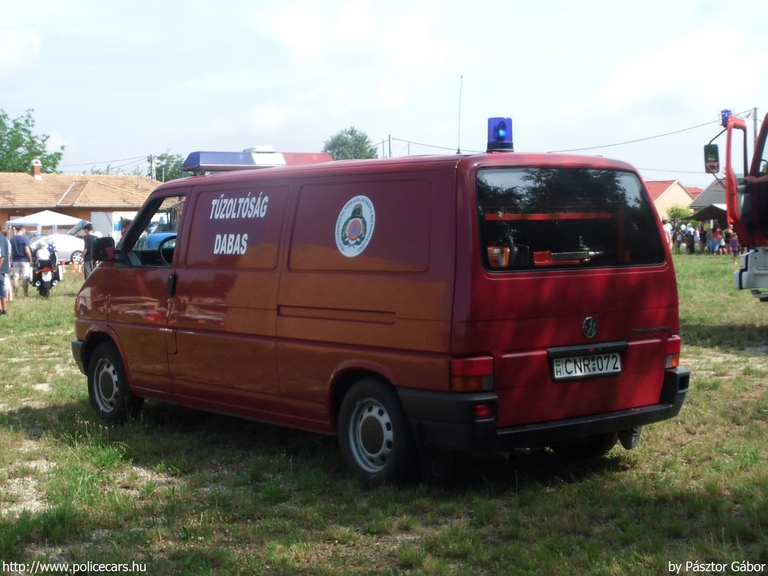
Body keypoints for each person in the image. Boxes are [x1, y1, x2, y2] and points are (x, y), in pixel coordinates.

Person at [10, 225, 32, 297]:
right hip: (24, 260)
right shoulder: (24, 238)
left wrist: (12, 260)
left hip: (16, 260)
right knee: (25, 277)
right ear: (23, 230)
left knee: (15, 277)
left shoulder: (12, 239)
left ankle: (15, 294)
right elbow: (27, 250)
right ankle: (25, 293)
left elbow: (12, 251)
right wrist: (30, 258)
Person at [0, 227, 9, 315]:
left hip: (0, 269)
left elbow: (1, 256)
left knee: (1, 290)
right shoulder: (2, 238)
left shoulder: (0, 239)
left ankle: (4, 311)